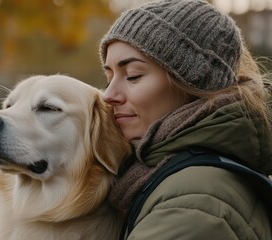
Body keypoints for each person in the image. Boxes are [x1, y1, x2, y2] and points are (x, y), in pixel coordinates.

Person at [99, 0, 272, 239]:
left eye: (132, 76)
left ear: (192, 83)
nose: (108, 96)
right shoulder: (165, 176)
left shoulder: (194, 202)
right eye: (109, 77)